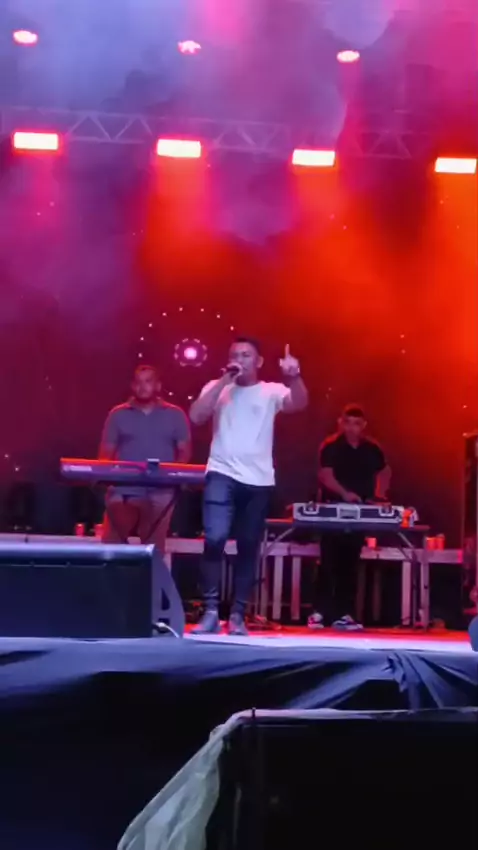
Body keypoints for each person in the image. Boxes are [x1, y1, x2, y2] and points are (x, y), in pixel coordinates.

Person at [189, 337, 308, 636]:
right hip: (221, 473)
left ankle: (238, 615)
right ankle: (210, 611)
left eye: (245, 355)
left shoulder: (270, 391)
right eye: (234, 355)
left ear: (258, 362)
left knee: (248, 545)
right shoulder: (217, 387)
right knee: (214, 538)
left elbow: (299, 403)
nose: (239, 360)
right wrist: (224, 381)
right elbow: (196, 416)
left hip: (258, 480)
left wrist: (294, 377)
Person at [309, 404, 391, 632]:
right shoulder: (331, 446)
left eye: (357, 423)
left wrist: (378, 495)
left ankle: (344, 613)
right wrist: (345, 494)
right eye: (348, 423)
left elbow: (385, 471)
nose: (352, 428)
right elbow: (326, 475)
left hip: (360, 512)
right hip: (333, 510)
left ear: (363, 425)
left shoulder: (372, 449)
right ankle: (319, 612)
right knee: (328, 561)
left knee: (351, 562)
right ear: (341, 423)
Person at [99, 364, 191, 555]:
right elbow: (106, 453)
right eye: (138, 382)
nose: (143, 387)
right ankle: (113, 573)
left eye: (148, 381)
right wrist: (105, 480)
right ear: (133, 386)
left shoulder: (175, 414)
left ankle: (151, 574)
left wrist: (175, 478)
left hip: (162, 489)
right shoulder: (118, 414)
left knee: (154, 546)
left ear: (158, 386)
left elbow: (184, 452)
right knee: (113, 543)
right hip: (125, 488)